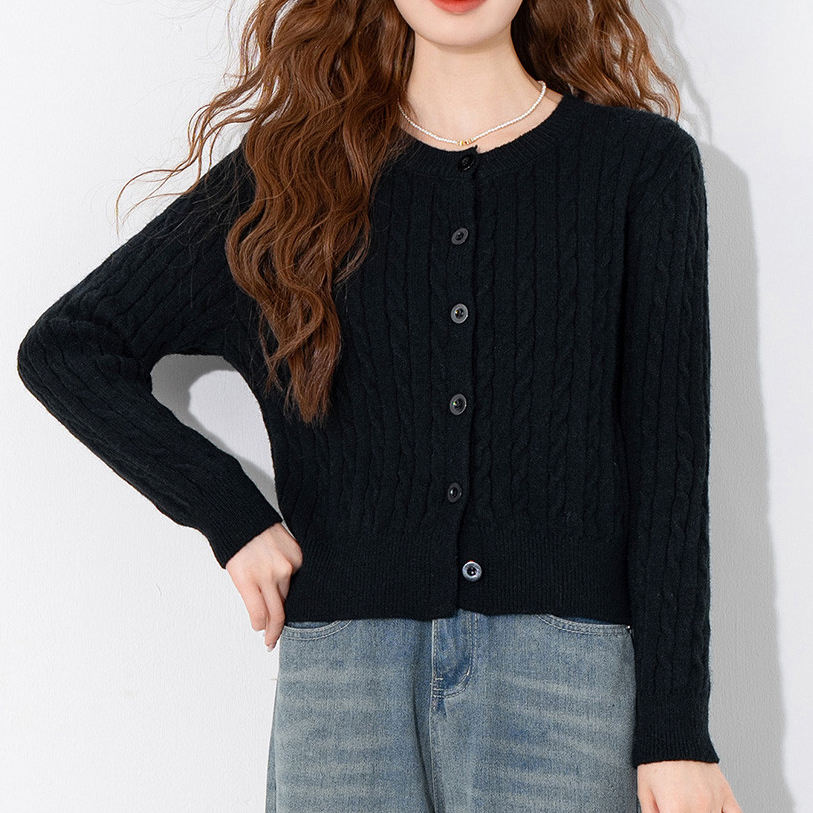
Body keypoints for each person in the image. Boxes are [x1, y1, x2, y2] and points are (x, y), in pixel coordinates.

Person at [16, 0, 742, 810]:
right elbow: (69, 349)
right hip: (344, 680)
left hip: (563, 679)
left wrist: (677, 731)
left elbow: (670, 468)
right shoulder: (290, 173)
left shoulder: (638, 165)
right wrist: (229, 515)